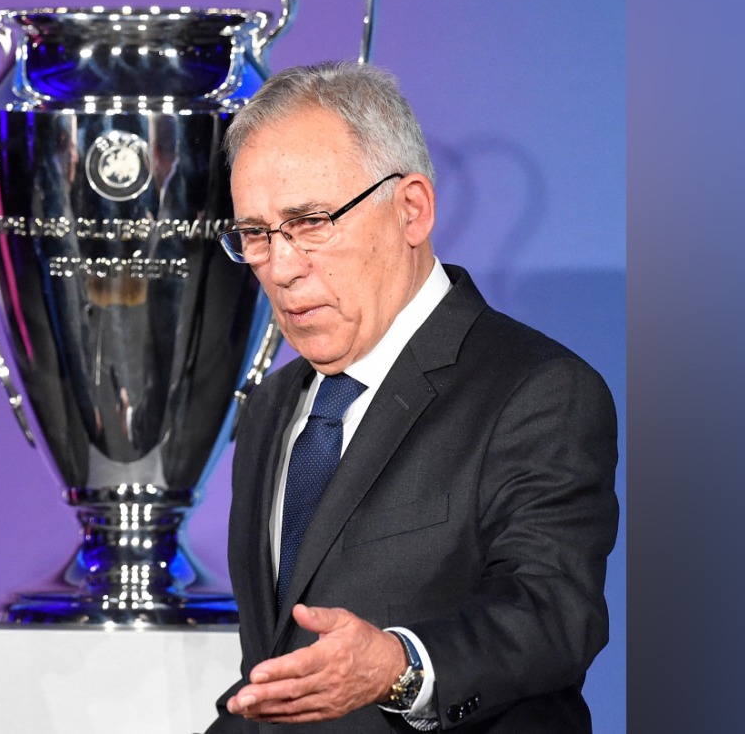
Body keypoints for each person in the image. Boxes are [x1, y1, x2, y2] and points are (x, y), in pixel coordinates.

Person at [205, 62, 618, 733]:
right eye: (256, 234)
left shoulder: (538, 390)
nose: (281, 267)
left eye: (311, 222)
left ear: (411, 209)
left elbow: (553, 614)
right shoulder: (272, 408)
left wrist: (401, 667)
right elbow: (275, 671)